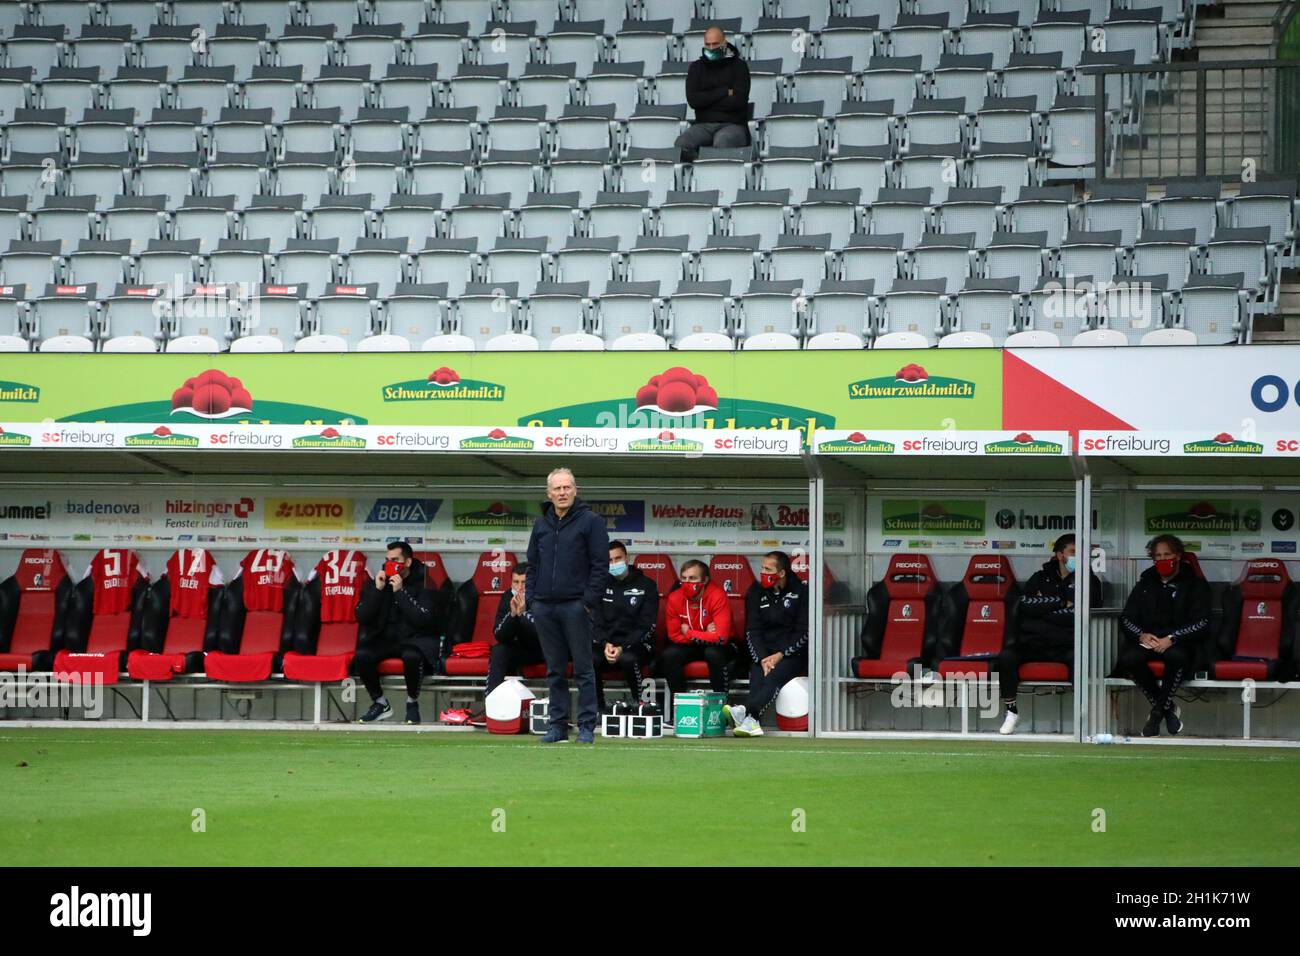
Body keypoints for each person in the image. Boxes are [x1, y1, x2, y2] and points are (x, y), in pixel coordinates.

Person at [525, 467, 610, 744]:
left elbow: (600, 565)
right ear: (549, 494)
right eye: (557, 489)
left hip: (576, 605)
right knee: (555, 670)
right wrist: (531, 598)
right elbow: (532, 564)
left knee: (584, 669)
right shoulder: (541, 525)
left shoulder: (591, 521)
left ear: (576, 490)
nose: (562, 493)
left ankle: (586, 726)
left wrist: (587, 602)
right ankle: (557, 725)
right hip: (544, 607)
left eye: (567, 487)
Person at [996, 534, 1101, 735]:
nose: (1077, 557)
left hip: (1067, 643)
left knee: (1079, 660)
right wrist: (1061, 603)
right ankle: (1011, 711)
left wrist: (1044, 608)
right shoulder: (1039, 577)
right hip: (1034, 641)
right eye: (1073, 552)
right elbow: (1025, 605)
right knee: (1007, 656)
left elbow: (1079, 614)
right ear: (1060, 554)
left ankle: (1083, 716)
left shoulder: (1090, 581)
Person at [1115, 534, 1212, 737]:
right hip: (1150, 640)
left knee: (1176, 656)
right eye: (1157, 555)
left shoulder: (1195, 583)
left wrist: (1173, 638)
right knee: (1129, 659)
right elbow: (1126, 618)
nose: (1162, 559)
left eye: (1167, 554)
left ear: (1178, 556)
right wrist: (1141, 636)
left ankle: (1157, 713)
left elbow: (1202, 622)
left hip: (1180, 642)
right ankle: (1168, 710)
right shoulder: (1145, 583)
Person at [354, 541, 448, 725]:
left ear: (408, 562)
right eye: (387, 560)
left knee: (411, 657)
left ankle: (412, 703)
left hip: (416, 639)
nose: (390, 564)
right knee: (362, 655)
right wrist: (377, 589)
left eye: (395, 560)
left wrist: (400, 592)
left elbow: (423, 619)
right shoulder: (379, 580)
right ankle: (380, 703)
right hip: (387, 638)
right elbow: (362, 616)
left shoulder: (426, 581)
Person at [725, 551, 808, 738]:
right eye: (762, 568)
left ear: (782, 573)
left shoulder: (802, 591)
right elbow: (752, 630)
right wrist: (763, 658)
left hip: (791, 655)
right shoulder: (755, 591)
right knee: (758, 678)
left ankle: (746, 713)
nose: (763, 572)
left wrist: (781, 655)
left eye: (768, 569)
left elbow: (804, 631)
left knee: (772, 677)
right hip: (764, 654)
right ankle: (752, 721)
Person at [592, 541, 659, 713]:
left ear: (627, 558)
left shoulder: (647, 585)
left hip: (637, 644)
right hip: (609, 645)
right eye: (610, 560)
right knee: (590, 659)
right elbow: (596, 621)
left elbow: (647, 625)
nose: (614, 564)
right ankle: (597, 709)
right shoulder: (600, 585)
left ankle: (642, 707)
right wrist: (605, 643)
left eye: (618, 558)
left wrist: (623, 647)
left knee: (628, 659)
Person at [674, 25, 751, 163]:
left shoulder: (739, 66)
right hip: (703, 125)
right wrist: (724, 92)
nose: (710, 48)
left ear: (724, 43)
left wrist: (707, 100)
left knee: (722, 141)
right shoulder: (696, 68)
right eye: (707, 44)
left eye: (715, 44)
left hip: (734, 125)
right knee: (681, 144)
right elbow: (694, 101)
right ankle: (701, 168)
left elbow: (738, 101)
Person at [659, 559, 733, 697]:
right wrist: (704, 634)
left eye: (692, 578)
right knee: (670, 655)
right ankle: (680, 705)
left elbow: (720, 637)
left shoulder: (717, 595)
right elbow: (674, 635)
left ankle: (720, 704)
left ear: (705, 580)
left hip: (720, 646)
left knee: (713, 653)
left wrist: (689, 632)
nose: (687, 583)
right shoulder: (675, 597)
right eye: (684, 578)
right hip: (691, 644)